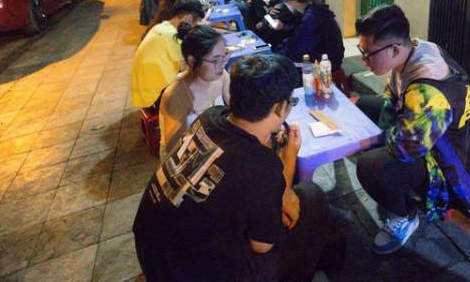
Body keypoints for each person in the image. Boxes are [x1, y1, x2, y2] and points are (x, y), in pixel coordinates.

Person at [133, 54, 331, 282]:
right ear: (279, 108)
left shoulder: (210, 117)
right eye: (291, 103)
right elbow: (262, 246)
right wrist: (289, 159)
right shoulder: (260, 166)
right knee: (311, 196)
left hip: (151, 253)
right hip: (192, 274)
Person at [354, 4, 470, 254]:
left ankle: (404, 216)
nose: (364, 59)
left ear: (394, 49)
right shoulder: (416, 48)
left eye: (368, 53)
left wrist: (370, 140)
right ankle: (392, 181)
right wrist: (383, 128)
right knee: (360, 106)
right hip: (423, 130)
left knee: (370, 166)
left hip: (443, 159)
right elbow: (392, 97)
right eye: (362, 51)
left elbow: (407, 148)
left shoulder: (428, 92)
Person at [159, 25, 231, 160]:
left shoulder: (221, 76)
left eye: (225, 55)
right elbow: (174, 149)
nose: (222, 63)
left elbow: (234, 110)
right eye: (216, 60)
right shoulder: (176, 95)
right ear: (192, 61)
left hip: (214, 144)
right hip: (185, 157)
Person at [131, 0, 205, 109]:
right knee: (202, 85)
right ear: (188, 19)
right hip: (155, 98)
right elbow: (186, 68)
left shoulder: (161, 27)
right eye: (195, 23)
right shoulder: (171, 35)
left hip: (144, 93)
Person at [276, 0, 345, 71]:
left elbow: (301, 46)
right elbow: (303, 31)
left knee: (280, 61)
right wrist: (284, 27)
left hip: (328, 63)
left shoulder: (312, 16)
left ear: (292, 1)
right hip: (331, 57)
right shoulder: (316, 8)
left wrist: (282, 47)